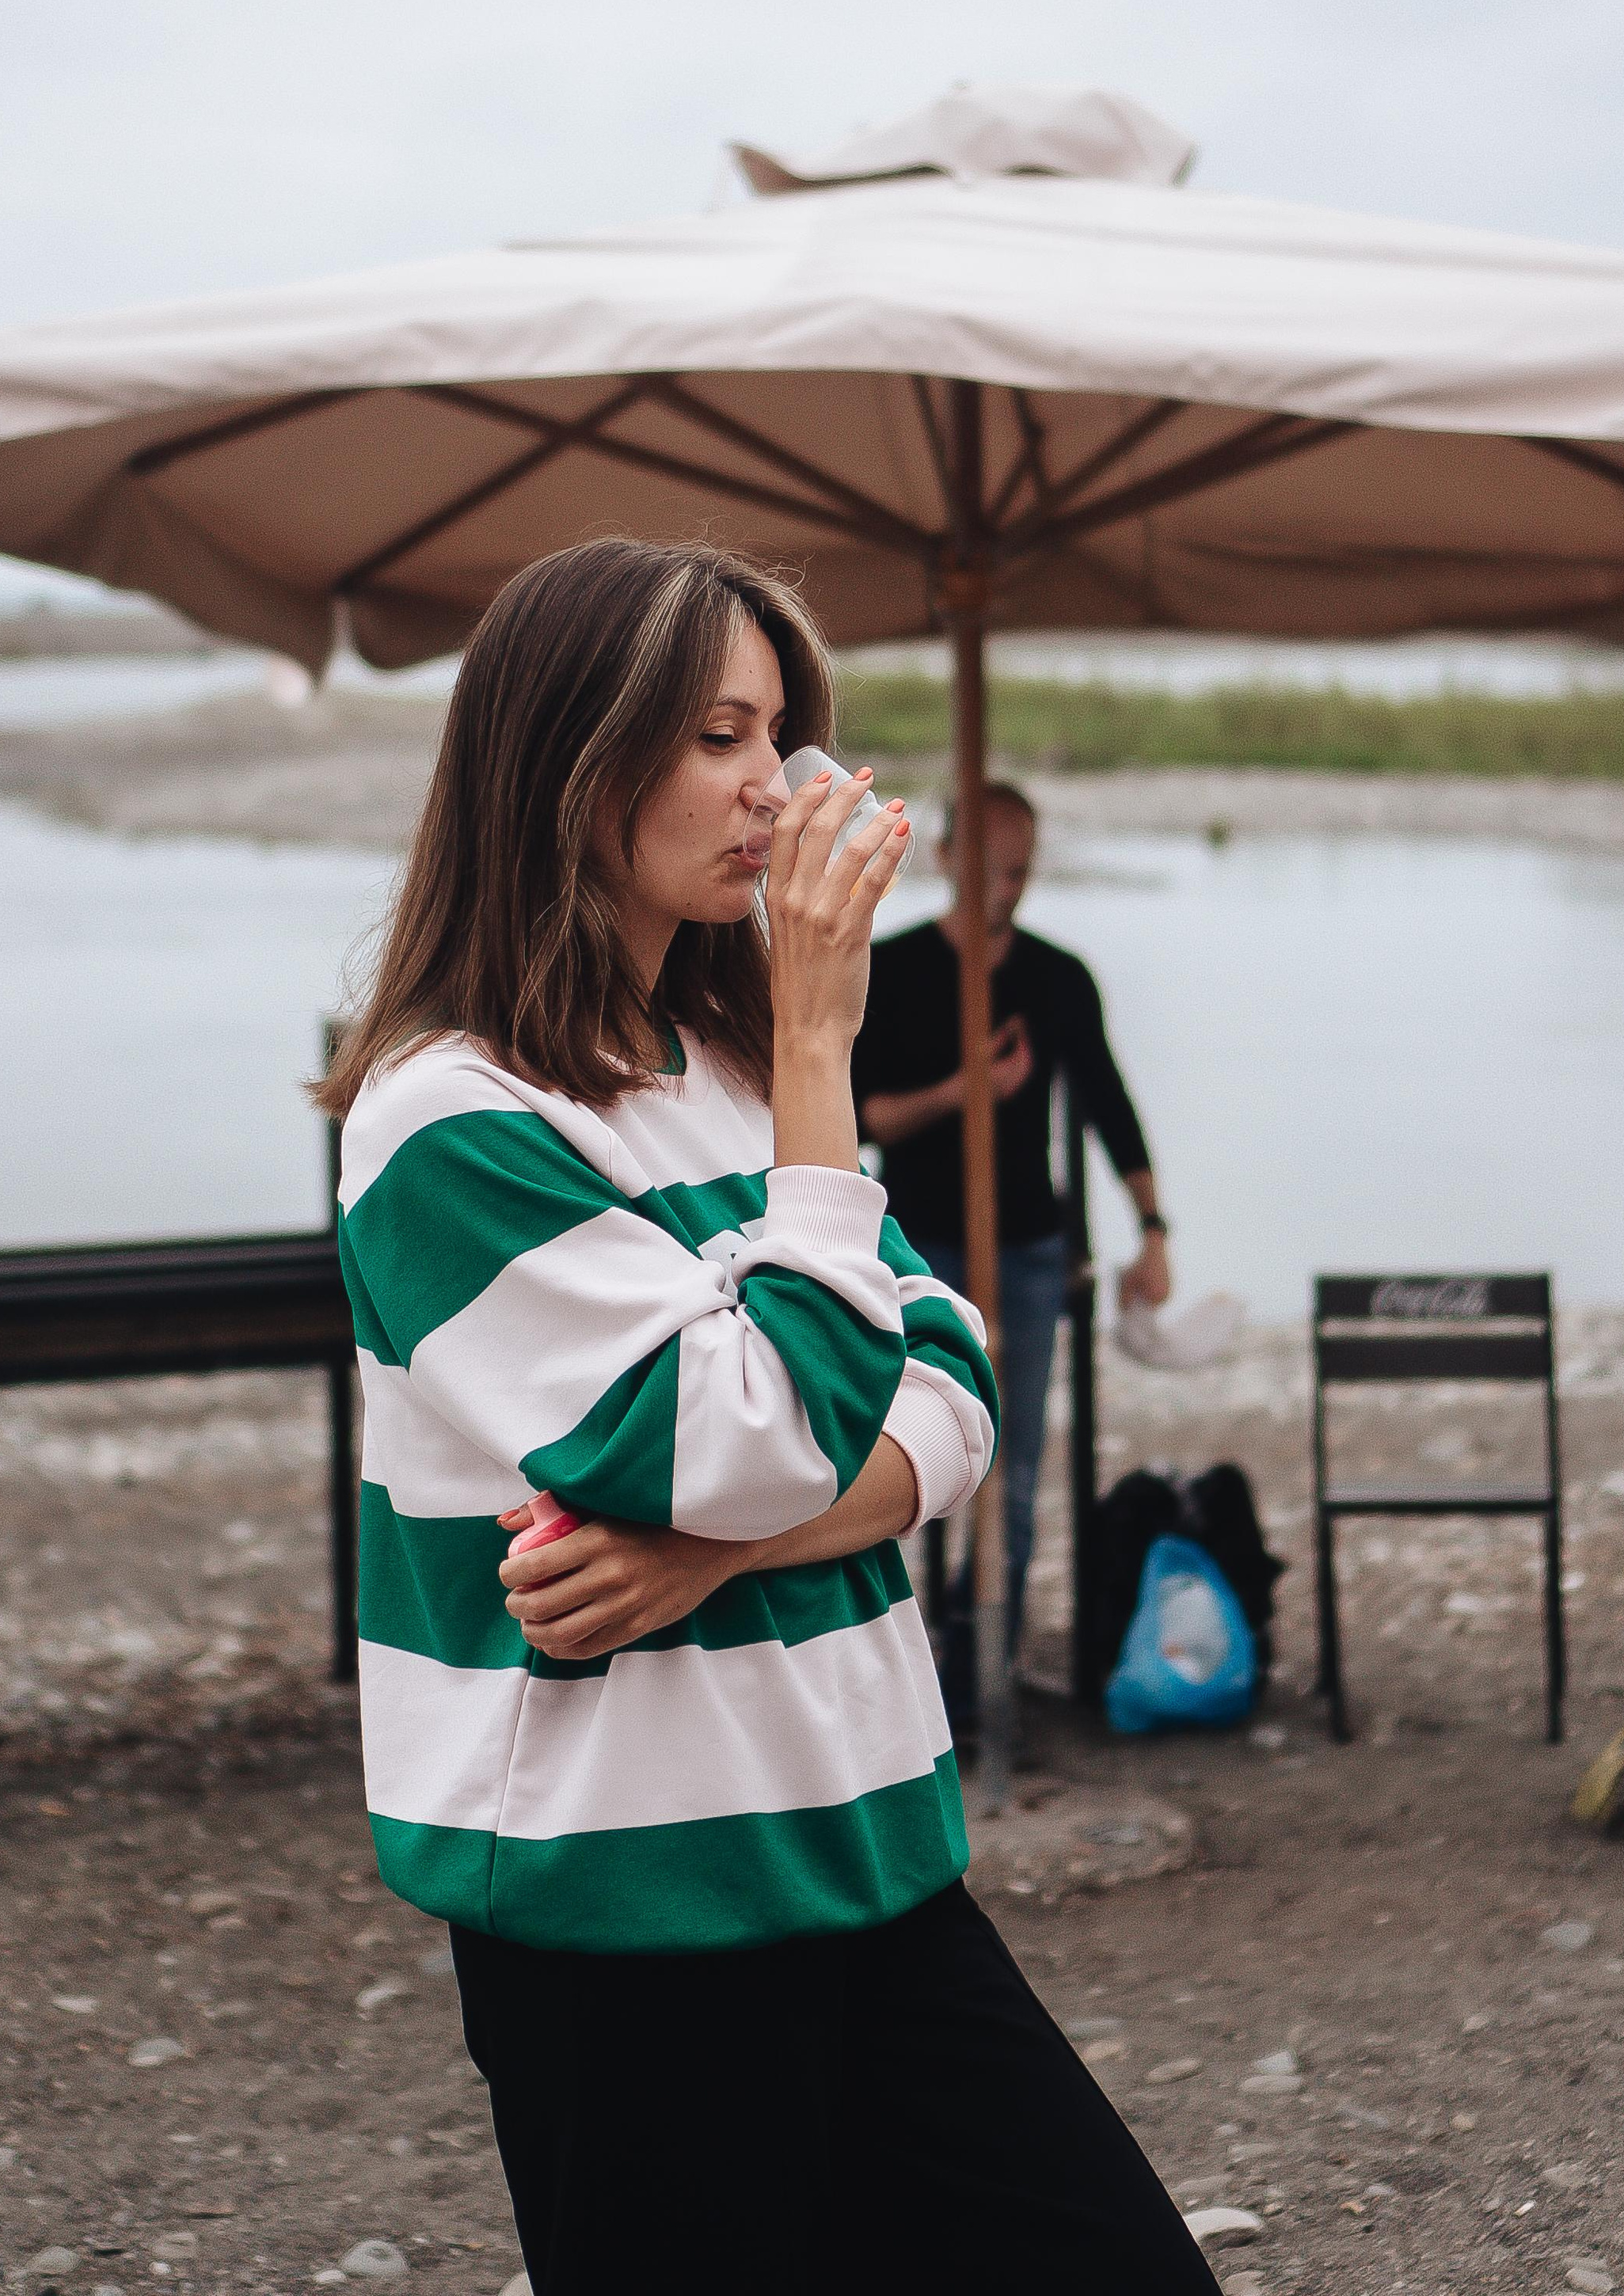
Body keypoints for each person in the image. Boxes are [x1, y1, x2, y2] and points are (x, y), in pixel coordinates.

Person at [317, 541, 1218, 2296]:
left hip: (870, 1841)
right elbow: (750, 1436)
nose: (778, 786)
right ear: (577, 757)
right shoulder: (446, 1121)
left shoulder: (719, 1081)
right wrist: (821, 1041)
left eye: (780, 733)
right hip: (624, 1899)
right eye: (724, 735)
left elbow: (950, 1380)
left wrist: (712, 1559)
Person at [854, 781, 1170, 1686]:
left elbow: (1109, 1107)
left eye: (1023, 870)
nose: (1008, 887)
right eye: (992, 866)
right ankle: (915, 1654)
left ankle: (987, 1659)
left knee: (1013, 1459)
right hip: (913, 1252)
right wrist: (964, 1093)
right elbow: (856, 1115)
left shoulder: (1056, 978)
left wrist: (1152, 1229)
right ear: (950, 859)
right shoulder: (895, 967)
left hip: (1027, 1247)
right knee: (905, 1455)